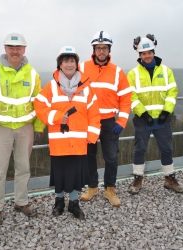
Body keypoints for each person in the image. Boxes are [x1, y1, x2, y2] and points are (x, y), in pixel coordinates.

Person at [0, 32, 45, 225]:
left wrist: (39, 126)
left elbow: (38, 103)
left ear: (24, 49)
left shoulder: (33, 74)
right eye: (11, 48)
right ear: (5, 49)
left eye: (18, 48)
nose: (15, 52)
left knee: (24, 167)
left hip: (25, 127)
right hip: (0, 128)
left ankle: (21, 202)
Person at [34, 46, 100, 219]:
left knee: (75, 175)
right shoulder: (51, 87)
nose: (69, 64)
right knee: (60, 173)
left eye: (72, 61)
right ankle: (59, 202)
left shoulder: (86, 88)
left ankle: (73, 203)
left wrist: (92, 136)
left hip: (79, 142)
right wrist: (56, 116)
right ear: (60, 64)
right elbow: (39, 106)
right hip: (59, 141)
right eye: (65, 61)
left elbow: (94, 113)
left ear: (77, 64)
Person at [127, 34, 183, 195]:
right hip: (142, 119)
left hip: (162, 118)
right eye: (143, 53)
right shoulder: (132, 74)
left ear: (153, 52)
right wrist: (143, 114)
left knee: (166, 149)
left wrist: (166, 112)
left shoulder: (166, 71)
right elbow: (131, 97)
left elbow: (172, 92)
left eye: (149, 52)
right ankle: (138, 179)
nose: (147, 56)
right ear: (139, 55)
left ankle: (169, 179)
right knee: (140, 149)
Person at [79, 31, 132, 207]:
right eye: (98, 48)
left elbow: (125, 98)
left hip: (110, 121)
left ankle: (110, 188)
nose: (101, 51)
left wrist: (121, 121)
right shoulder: (82, 67)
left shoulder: (117, 72)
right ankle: (92, 186)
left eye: (104, 48)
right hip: (88, 121)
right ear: (94, 50)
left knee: (111, 157)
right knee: (89, 156)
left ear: (109, 50)